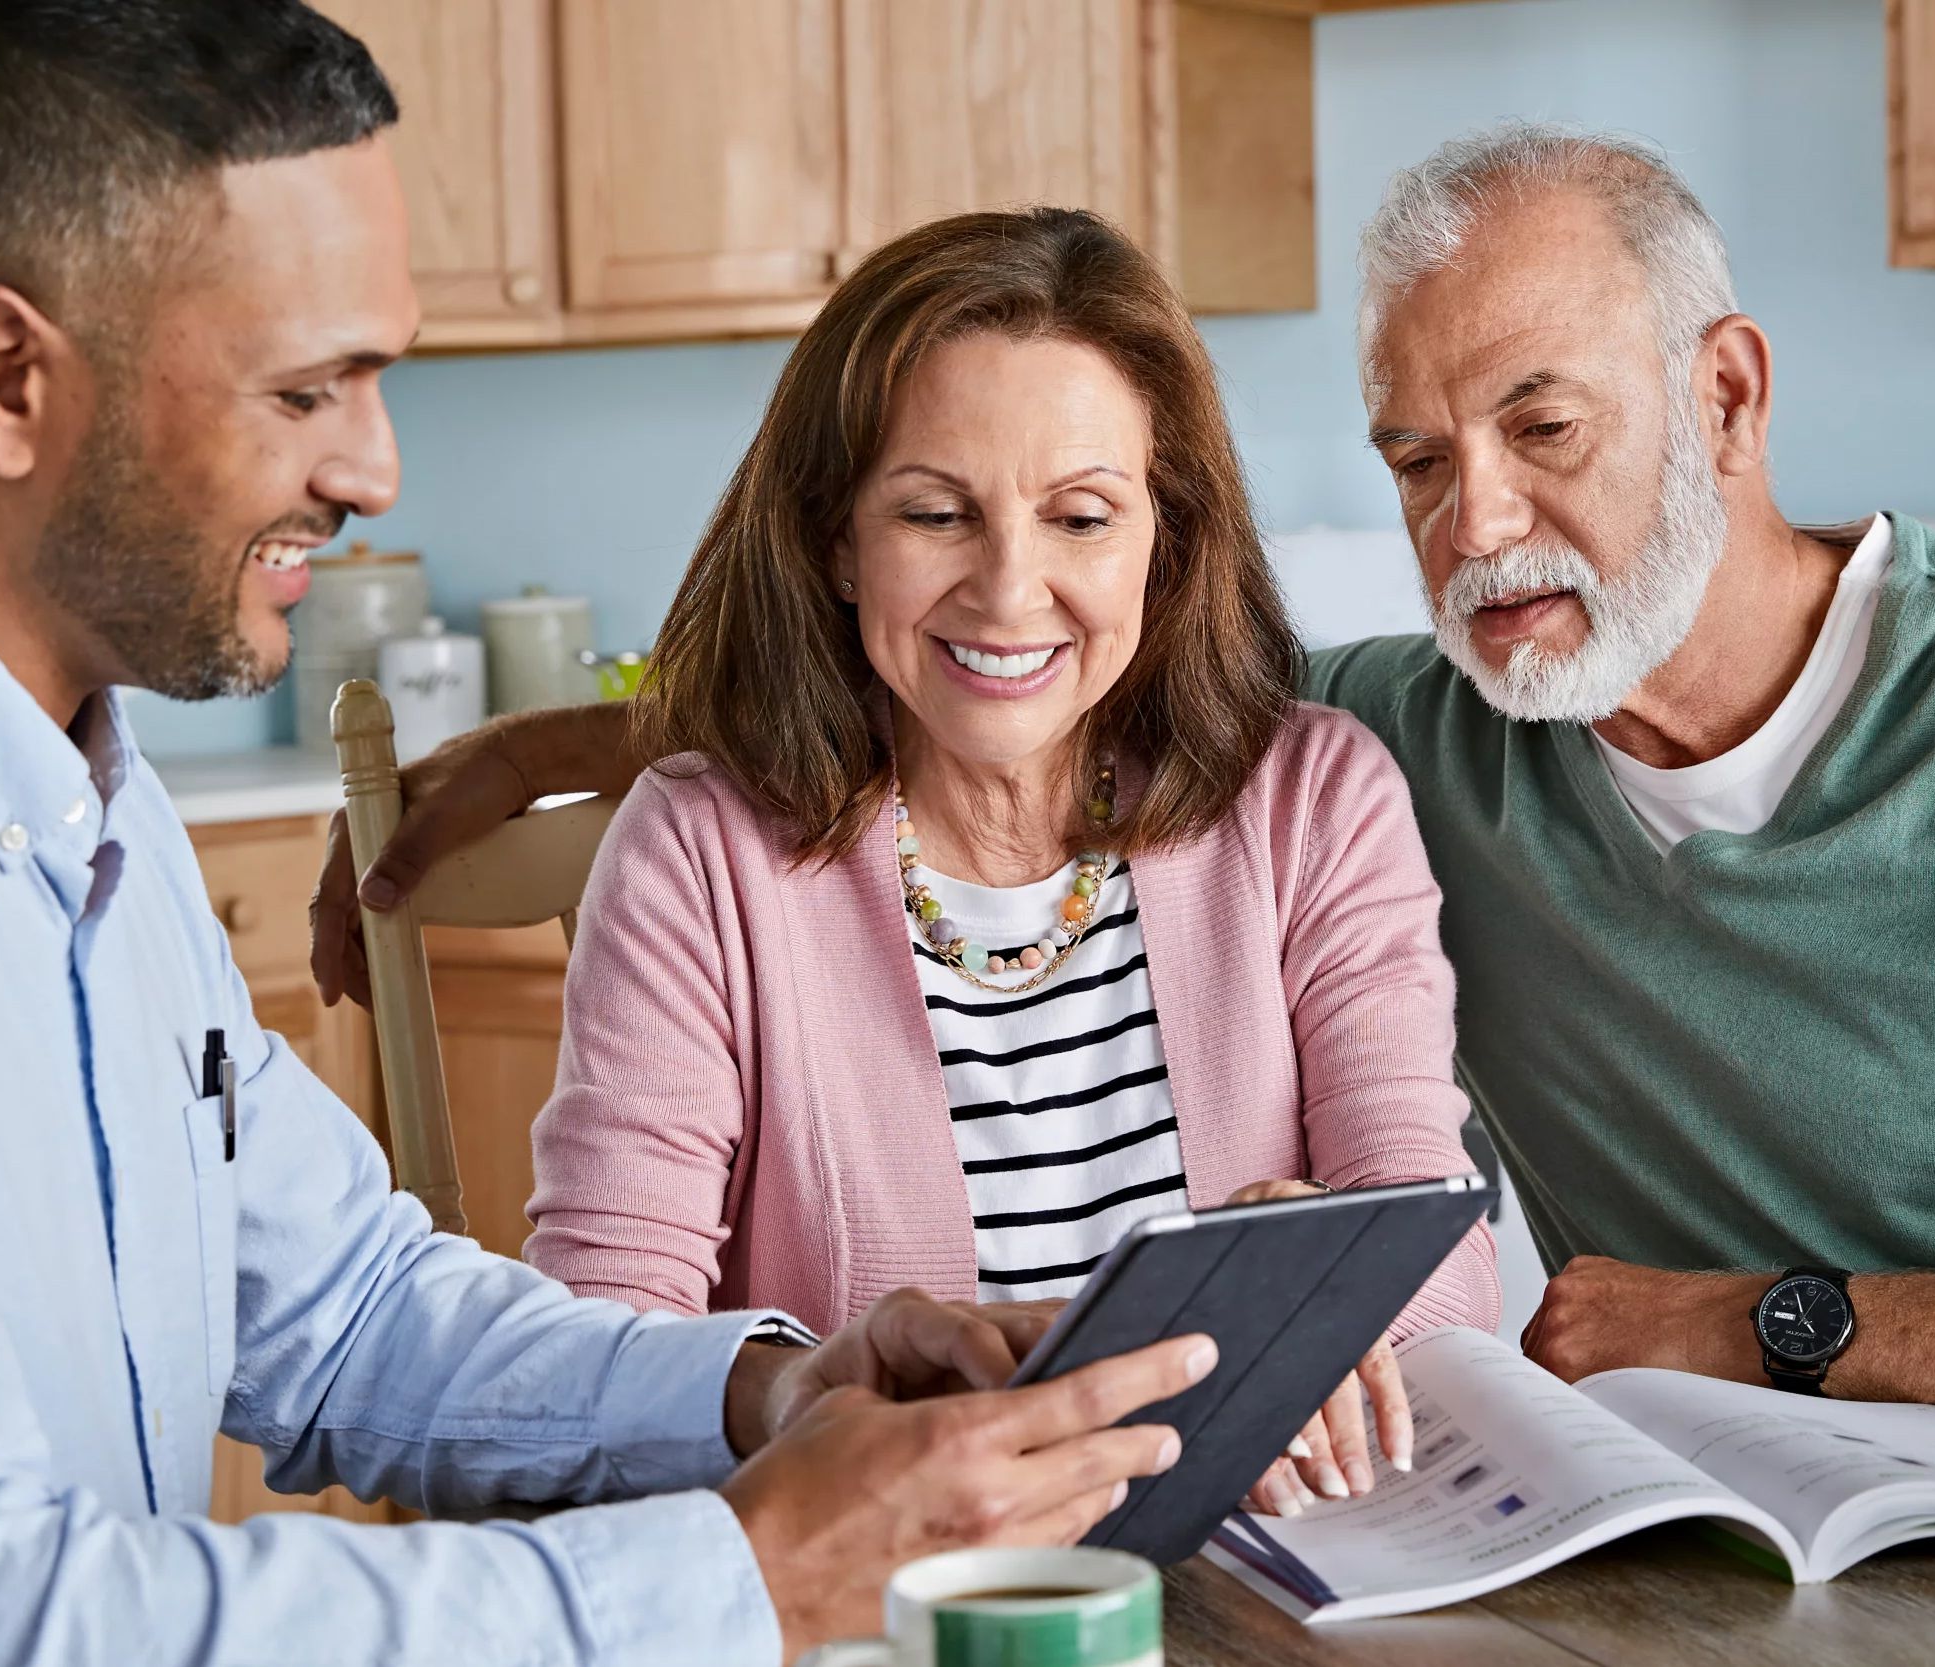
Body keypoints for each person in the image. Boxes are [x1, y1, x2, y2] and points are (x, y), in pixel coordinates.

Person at [0, 7, 1216, 1664]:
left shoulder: (80, 795)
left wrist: (777, 1388)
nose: (373, 469)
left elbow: (354, 1316)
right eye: (307, 388)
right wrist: (746, 1572)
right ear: (6, 380)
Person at [313, 124, 1935, 1432]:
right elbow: (1025, 685)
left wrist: (1798, 1324)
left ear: (1726, 397)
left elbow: (1070, 670)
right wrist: (582, 748)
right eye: (1413, 457)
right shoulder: (1440, 720)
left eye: (1545, 428)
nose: (1471, 524)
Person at [515, 208, 1499, 1519]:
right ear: (835, 539)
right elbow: (597, 1352)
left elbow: (1436, 1252)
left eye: (1082, 518)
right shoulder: (699, 850)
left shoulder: (1313, 797)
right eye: (935, 512)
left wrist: (1328, 1284)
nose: (1010, 587)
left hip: (1267, 1580)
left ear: (1167, 537)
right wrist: (817, 1401)